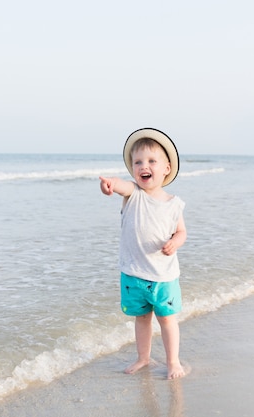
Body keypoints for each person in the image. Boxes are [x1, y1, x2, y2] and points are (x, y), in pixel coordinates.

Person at [99, 127, 187, 380]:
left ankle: (173, 362)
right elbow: (120, 185)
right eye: (137, 162)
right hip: (133, 274)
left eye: (150, 161)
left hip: (163, 276)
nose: (143, 166)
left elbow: (182, 232)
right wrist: (109, 185)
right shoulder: (133, 194)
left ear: (166, 168)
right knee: (142, 319)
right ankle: (143, 357)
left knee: (167, 320)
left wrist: (175, 242)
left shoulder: (173, 204)